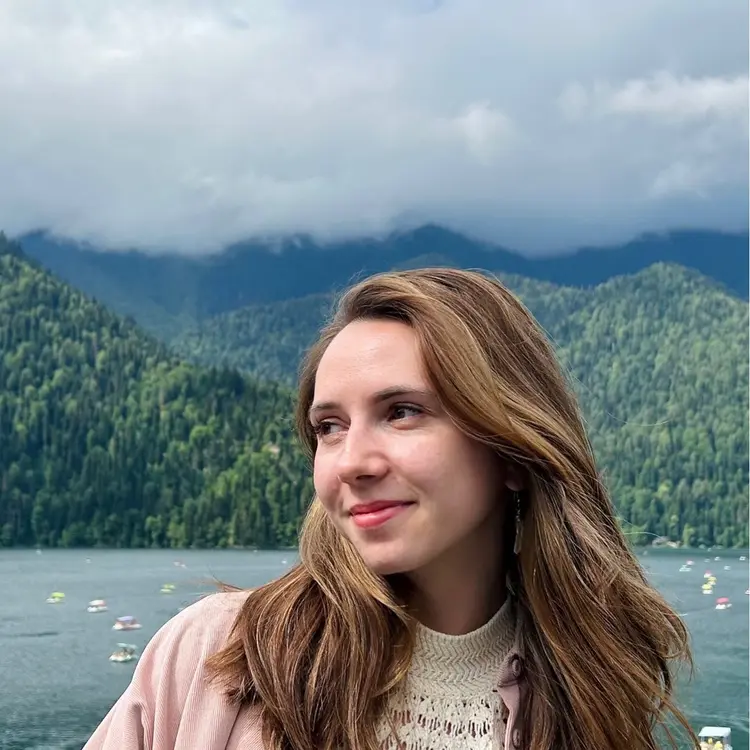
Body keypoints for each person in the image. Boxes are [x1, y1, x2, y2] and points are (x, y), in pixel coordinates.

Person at [84, 268, 697, 749]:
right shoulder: (222, 657)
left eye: (402, 412)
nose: (352, 462)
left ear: (511, 452)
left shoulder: (592, 694)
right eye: (329, 426)